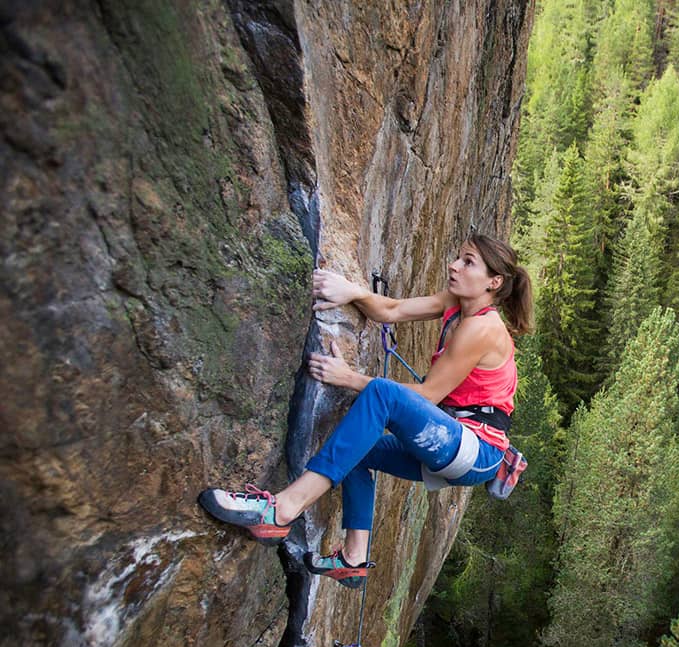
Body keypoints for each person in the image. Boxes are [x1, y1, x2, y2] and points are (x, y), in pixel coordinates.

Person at [199, 234, 533, 587]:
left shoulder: (482, 328)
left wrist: (348, 377)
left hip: (478, 449)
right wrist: (354, 293)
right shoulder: (456, 303)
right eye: (457, 257)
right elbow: (392, 310)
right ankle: (353, 558)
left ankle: (281, 509)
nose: (453, 265)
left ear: (494, 282)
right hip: (455, 441)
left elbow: (429, 395)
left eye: (468, 262)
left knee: (381, 394)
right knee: (356, 451)